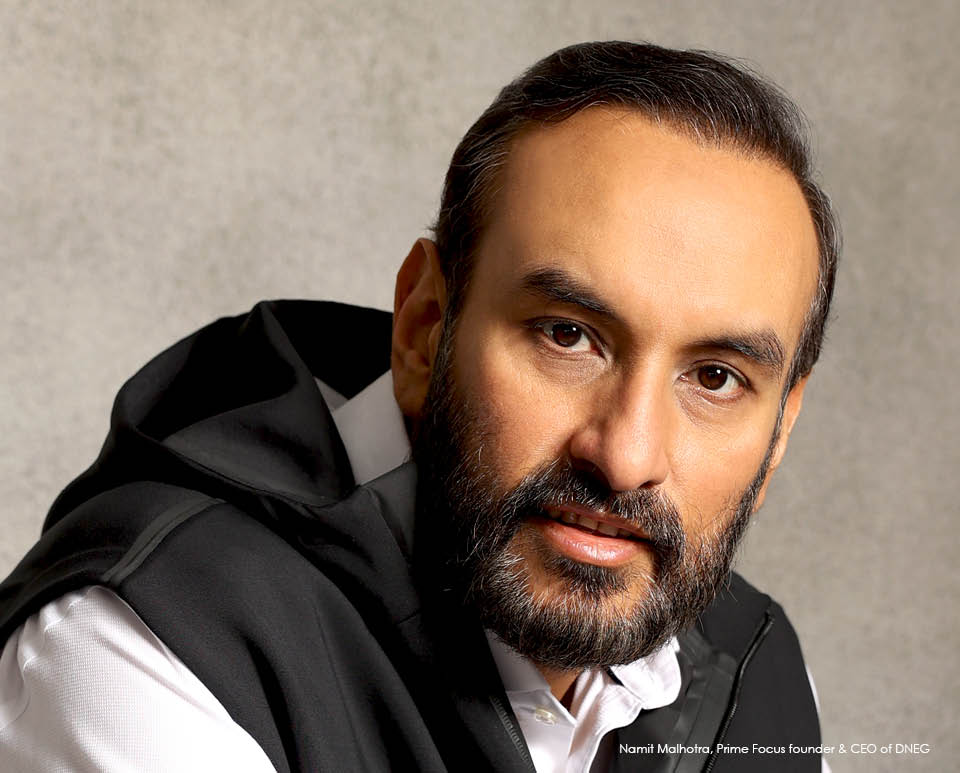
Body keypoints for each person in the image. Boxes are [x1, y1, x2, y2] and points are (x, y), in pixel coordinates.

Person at [0, 41, 839, 772]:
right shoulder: (145, 650)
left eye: (716, 378)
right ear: (424, 327)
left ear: (779, 433)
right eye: (568, 335)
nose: (625, 455)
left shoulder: (756, 669)